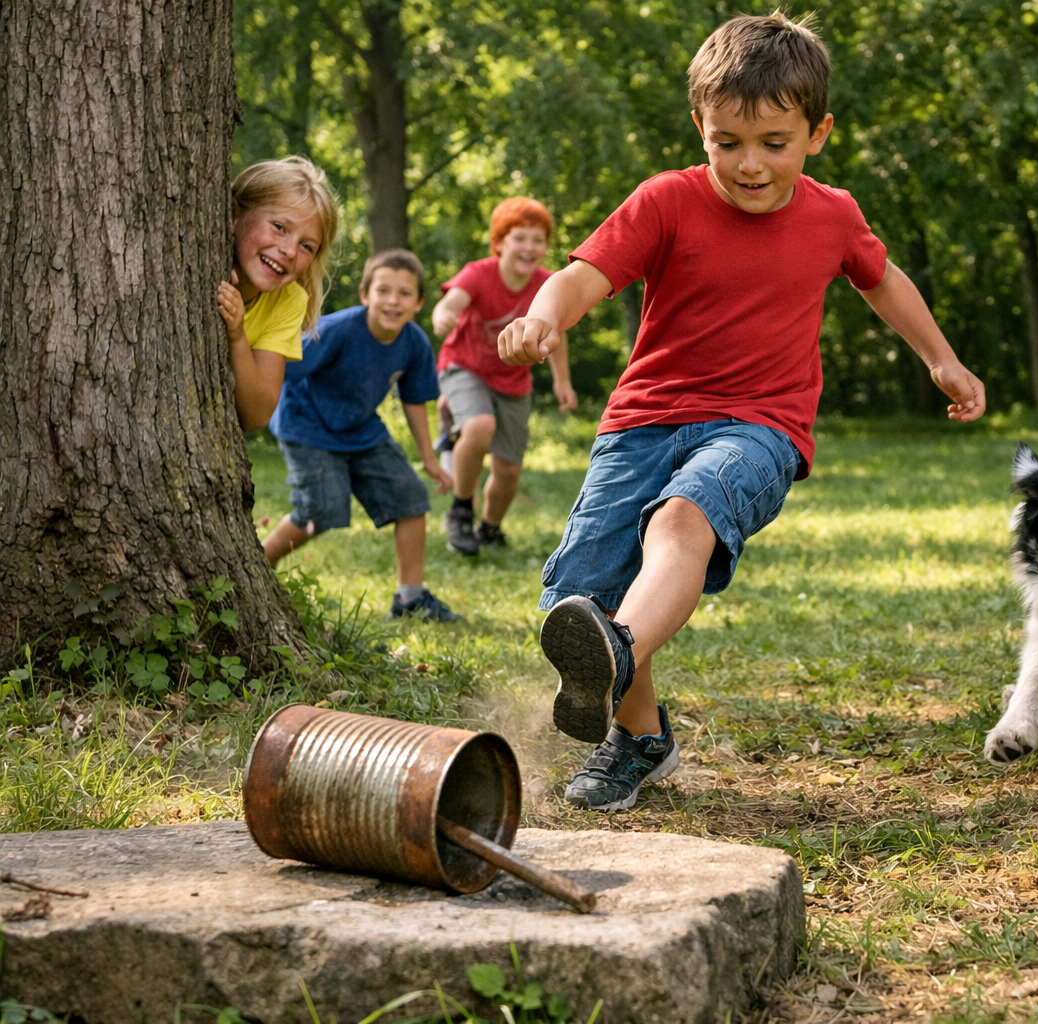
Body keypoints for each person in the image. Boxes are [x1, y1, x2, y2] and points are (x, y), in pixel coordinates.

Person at [499, 12, 987, 810]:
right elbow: (584, 274)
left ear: (817, 132)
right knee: (580, 600)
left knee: (682, 521)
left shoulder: (832, 215)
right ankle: (641, 737)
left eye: (774, 143)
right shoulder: (666, 202)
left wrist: (942, 358)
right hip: (641, 423)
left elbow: (882, 279)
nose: (750, 164)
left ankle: (619, 658)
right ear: (699, 126)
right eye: (727, 142)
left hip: (760, 429)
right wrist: (546, 318)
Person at [262, 249, 462, 623]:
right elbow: (282, 365)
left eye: (404, 293)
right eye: (383, 290)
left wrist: (430, 459)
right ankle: (256, 564)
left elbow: (415, 400)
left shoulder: (414, 343)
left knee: (411, 498)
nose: (393, 301)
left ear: (419, 302)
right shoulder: (336, 330)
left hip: (361, 429)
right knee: (319, 510)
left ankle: (410, 599)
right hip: (307, 425)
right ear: (365, 293)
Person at [431, 197, 578, 557]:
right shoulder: (479, 273)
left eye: (538, 239)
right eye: (520, 238)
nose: (529, 247)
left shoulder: (548, 284)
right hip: (464, 366)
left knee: (509, 470)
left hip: (513, 382)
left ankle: (490, 528)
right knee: (480, 427)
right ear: (499, 243)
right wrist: (442, 317)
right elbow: (449, 304)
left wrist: (562, 381)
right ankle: (461, 510)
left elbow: (557, 332)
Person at [215, 156, 340, 431]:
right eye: (280, 227)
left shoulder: (289, 300)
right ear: (234, 214)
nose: (290, 251)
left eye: (307, 246)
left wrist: (236, 335)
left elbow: (257, 416)